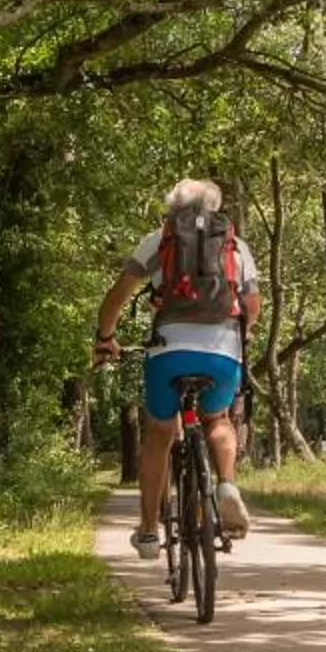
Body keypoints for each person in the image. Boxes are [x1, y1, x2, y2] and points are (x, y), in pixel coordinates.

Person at [93, 179, 258, 559]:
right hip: (222, 350)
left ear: (172, 206)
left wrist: (105, 338)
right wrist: (236, 334)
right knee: (217, 419)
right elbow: (252, 305)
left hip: (170, 350)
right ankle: (227, 485)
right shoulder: (236, 244)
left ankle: (149, 532)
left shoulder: (159, 239)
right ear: (214, 206)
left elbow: (118, 294)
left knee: (159, 433)